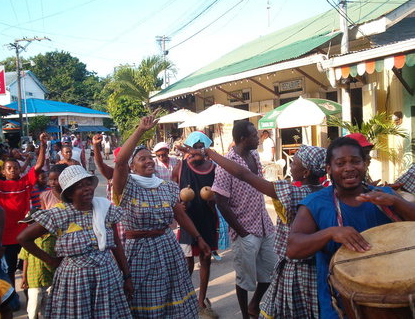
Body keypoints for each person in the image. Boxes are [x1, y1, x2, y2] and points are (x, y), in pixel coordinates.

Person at [178, 143, 327, 318]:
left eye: (294, 163)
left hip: (295, 270)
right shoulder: (328, 194)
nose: (291, 165)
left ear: (306, 172)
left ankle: (252, 308)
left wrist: (209, 153)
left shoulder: (291, 192)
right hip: (320, 268)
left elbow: (243, 174)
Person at [287, 136, 415, 319]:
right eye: (340, 163)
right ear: (329, 169)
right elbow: (292, 248)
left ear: (364, 164)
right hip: (342, 305)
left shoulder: (386, 196)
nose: (349, 168)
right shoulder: (314, 204)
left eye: (355, 161)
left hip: (398, 299)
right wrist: (330, 233)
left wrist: (397, 202)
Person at [113, 109, 210, 318]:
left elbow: (181, 216)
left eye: (150, 158)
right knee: (144, 300)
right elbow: (119, 162)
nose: (148, 161)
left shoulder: (165, 186)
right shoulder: (126, 186)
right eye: (142, 159)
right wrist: (141, 129)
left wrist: (198, 238)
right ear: (132, 166)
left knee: (172, 298)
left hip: (167, 248)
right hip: (140, 252)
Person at [17, 165, 133, 318]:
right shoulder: (59, 214)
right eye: (80, 186)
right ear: (69, 193)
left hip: (106, 277)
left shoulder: (104, 209)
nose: (87, 189)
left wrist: (126, 276)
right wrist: (50, 261)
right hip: (75, 280)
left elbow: (116, 244)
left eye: (88, 184)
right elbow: (23, 238)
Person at [211, 120, 277, 319]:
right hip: (245, 230)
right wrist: (242, 232)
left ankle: (254, 304)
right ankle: (246, 316)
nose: (259, 138)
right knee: (244, 279)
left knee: (272, 271)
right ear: (242, 138)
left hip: (265, 225)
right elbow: (220, 202)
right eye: (254, 135)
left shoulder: (255, 155)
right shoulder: (226, 165)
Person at [0, 134, 47, 287]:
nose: (13, 170)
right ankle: (11, 298)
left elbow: (39, 166)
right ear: (3, 172)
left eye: (15, 168)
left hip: (24, 234)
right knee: (9, 271)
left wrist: (42, 145)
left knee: (26, 270)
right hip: (5, 237)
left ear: (20, 170)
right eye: (9, 168)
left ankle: (29, 299)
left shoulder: (25, 182)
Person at [172, 132, 219, 318]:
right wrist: (179, 204)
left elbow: (219, 194)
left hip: (206, 219)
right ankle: (185, 299)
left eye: (201, 147)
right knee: (187, 264)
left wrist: (212, 202)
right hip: (187, 220)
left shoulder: (214, 168)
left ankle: (201, 302)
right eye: (195, 147)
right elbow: (171, 191)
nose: (198, 150)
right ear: (189, 149)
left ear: (206, 148)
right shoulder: (181, 167)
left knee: (206, 260)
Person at [19, 208, 56, 319]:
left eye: (31, 224)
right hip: (33, 279)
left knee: (48, 308)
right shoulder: (28, 239)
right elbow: (25, 258)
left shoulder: (54, 238)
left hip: (50, 278)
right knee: (33, 307)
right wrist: (24, 277)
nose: (29, 227)